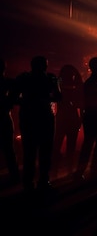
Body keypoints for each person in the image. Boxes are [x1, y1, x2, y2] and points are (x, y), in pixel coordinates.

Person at [12, 55, 62, 191]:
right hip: (43, 117)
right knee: (42, 151)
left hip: (32, 117)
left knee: (31, 152)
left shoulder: (24, 78)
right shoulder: (49, 78)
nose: (44, 67)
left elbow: (13, 97)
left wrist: (28, 101)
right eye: (44, 65)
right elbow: (58, 97)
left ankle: (31, 183)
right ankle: (41, 182)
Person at [75, 57, 97, 181]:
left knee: (95, 145)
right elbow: (85, 103)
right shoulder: (91, 83)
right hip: (93, 117)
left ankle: (91, 171)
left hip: (96, 117)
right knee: (91, 145)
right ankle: (84, 172)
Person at [52, 64, 83, 178]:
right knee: (65, 145)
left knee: (61, 145)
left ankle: (60, 170)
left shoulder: (60, 85)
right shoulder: (69, 86)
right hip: (68, 118)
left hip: (66, 118)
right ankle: (63, 169)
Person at [0, 59, 20, 184]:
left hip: (5, 117)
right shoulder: (8, 82)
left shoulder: (8, 82)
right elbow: (17, 98)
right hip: (4, 117)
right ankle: (14, 175)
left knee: (9, 149)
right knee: (9, 149)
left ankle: (15, 175)